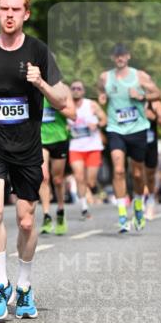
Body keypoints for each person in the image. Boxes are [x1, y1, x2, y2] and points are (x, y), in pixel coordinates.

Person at [0, 0, 70, 322]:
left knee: (26, 221)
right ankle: (0, 284)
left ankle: (24, 287)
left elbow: (63, 100)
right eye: (4, 9)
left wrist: (40, 83)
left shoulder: (39, 51)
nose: (9, 15)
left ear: (26, 14)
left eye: (16, 10)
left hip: (26, 148)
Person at [97, 43, 161, 233]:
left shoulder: (139, 75)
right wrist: (102, 96)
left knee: (137, 174)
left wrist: (142, 97)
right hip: (115, 128)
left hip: (138, 129)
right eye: (117, 55)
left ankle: (139, 206)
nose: (120, 58)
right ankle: (122, 214)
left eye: (123, 55)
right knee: (118, 170)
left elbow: (157, 93)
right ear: (112, 58)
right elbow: (100, 89)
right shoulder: (104, 77)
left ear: (128, 57)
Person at [67, 80, 107, 220]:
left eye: (79, 88)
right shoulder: (67, 105)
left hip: (93, 147)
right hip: (76, 147)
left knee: (90, 181)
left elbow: (104, 119)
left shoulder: (91, 104)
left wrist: (96, 124)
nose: (76, 90)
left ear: (83, 91)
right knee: (79, 176)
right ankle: (84, 207)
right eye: (73, 88)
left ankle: (94, 188)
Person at [39, 88, 76, 234]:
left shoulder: (63, 89)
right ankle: (46, 215)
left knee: (58, 180)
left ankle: (60, 210)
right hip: (40, 139)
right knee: (43, 177)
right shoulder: (32, 87)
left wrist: (58, 105)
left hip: (59, 138)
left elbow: (73, 115)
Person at [143, 97, 161, 219]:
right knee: (137, 173)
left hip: (149, 141)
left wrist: (155, 116)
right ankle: (140, 199)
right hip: (132, 141)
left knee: (150, 174)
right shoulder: (128, 99)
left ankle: (151, 200)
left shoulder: (155, 103)